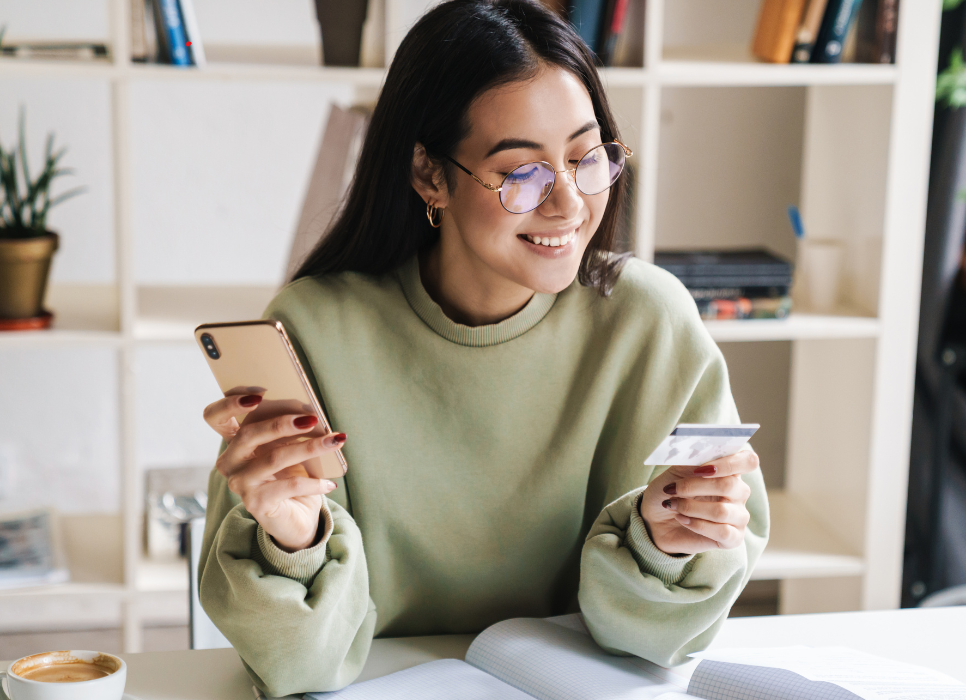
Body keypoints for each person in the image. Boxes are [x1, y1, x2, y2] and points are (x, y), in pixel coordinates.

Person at [196, 0, 769, 694]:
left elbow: (656, 645)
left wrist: (669, 543)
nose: (568, 203)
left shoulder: (649, 323)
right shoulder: (316, 327)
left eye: (587, 158)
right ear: (429, 176)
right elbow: (298, 666)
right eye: (522, 173)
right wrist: (293, 539)